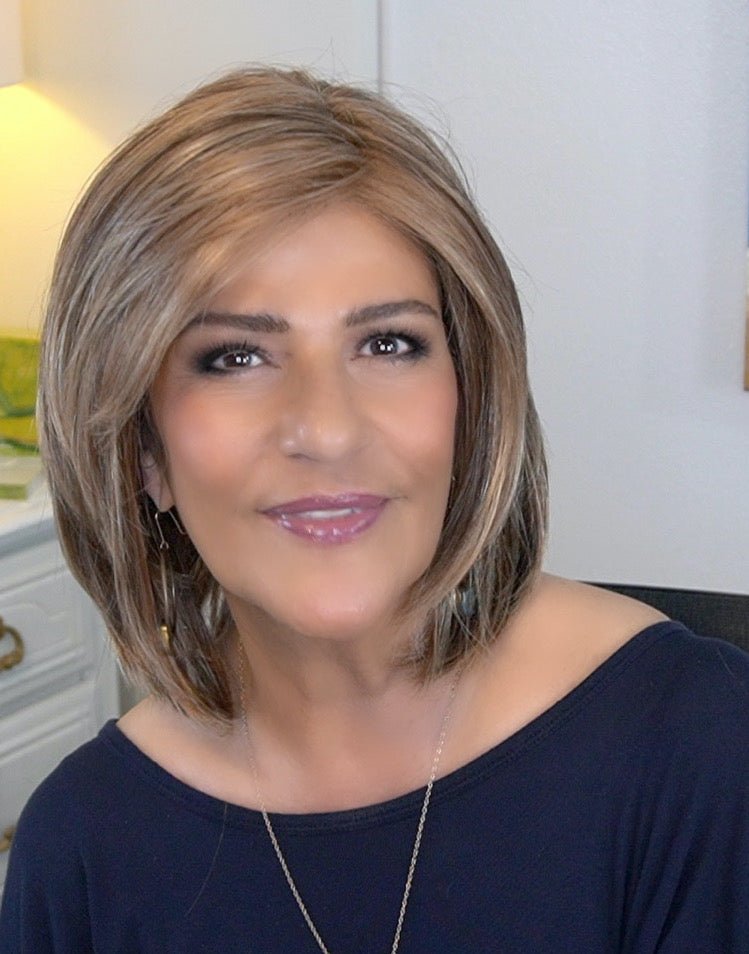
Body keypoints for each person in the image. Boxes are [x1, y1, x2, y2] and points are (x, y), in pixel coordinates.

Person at [1, 66, 747, 954]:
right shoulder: (82, 851)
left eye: (388, 343)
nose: (326, 429)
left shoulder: (696, 744)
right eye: (234, 356)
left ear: (469, 399)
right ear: (142, 449)